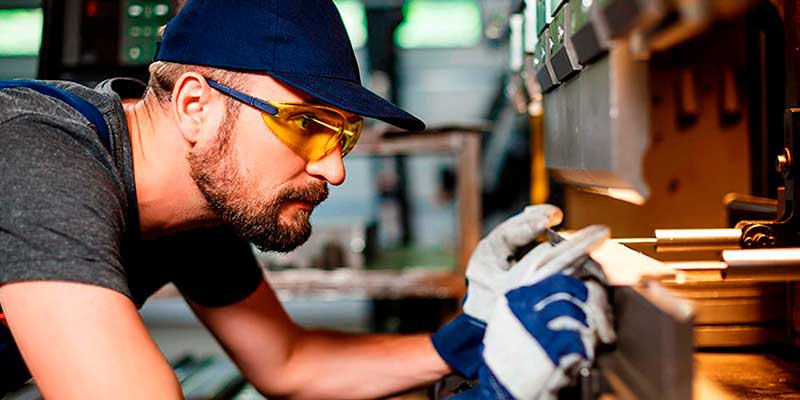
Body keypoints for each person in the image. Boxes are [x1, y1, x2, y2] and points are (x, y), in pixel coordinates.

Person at [0, 0, 613, 398]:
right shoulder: (39, 154)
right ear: (194, 104)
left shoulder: (194, 212)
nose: (335, 169)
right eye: (307, 123)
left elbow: (289, 363)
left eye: (342, 133)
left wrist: (468, 339)